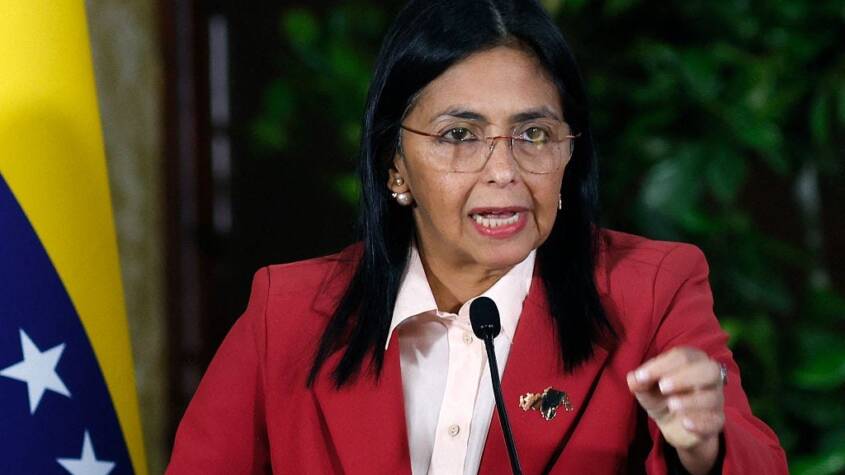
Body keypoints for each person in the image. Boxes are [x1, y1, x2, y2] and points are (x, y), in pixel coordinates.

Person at [167, 0, 788, 473]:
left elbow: (753, 459)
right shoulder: (286, 311)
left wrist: (703, 449)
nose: (503, 171)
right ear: (394, 164)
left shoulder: (650, 290)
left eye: (534, 134)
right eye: (459, 136)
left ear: (570, 153)